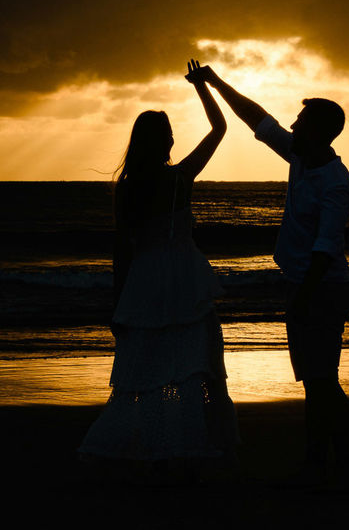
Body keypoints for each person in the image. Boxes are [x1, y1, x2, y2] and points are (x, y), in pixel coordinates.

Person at [195, 63, 349, 491]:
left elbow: (326, 247)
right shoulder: (301, 157)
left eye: (300, 121)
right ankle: (323, 463)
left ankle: (336, 463)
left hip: (320, 289)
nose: (292, 125)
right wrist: (214, 82)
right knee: (316, 381)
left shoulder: (334, 182)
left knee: (322, 381)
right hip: (305, 286)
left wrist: (303, 297)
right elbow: (257, 119)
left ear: (318, 131)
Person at [78, 60, 239, 483]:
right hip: (186, 278)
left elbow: (122, 250)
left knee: (147, 369)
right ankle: (190, 446)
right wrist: (202, 86)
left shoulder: (129, 187)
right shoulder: (179, 179)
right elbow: (220, 128)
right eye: (168, 134)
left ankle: (154, 449)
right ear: (162, 141)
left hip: (145, 281)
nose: (172, 139)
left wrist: (118, 302)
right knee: (195, 366)